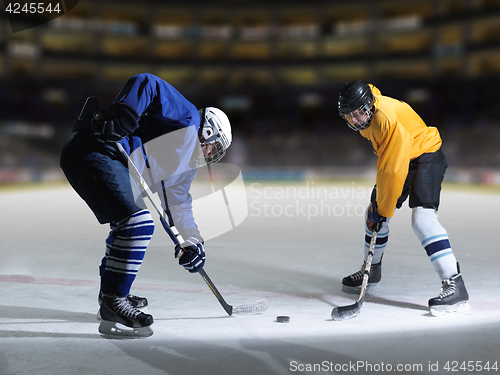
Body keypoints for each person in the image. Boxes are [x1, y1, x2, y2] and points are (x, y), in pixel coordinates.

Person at [60, 73, 232, 336]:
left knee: (126, 224)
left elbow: (179, 206)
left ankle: (112, 294)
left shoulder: (185, 169)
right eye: (214, 147)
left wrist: (193, 242)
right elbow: (148, 83)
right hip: (97, 150)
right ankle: (113, 300)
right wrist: (124, 118)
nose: (211, 155)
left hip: (106, 161)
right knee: (137, 222)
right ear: (208, 131)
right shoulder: (187, 117)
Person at [337, 80, 470, 317]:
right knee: (373, 213)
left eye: (359, 113)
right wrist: (378, 207)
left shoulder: (384, 118)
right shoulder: (370, 116)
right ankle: (372, 270)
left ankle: (455, 285)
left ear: (369, 104)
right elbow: (389, 163)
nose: (356, 120)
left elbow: (394, 169)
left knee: (422, 219)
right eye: (351, 116)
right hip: (408, 157)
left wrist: (383, 207)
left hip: (425, 155)